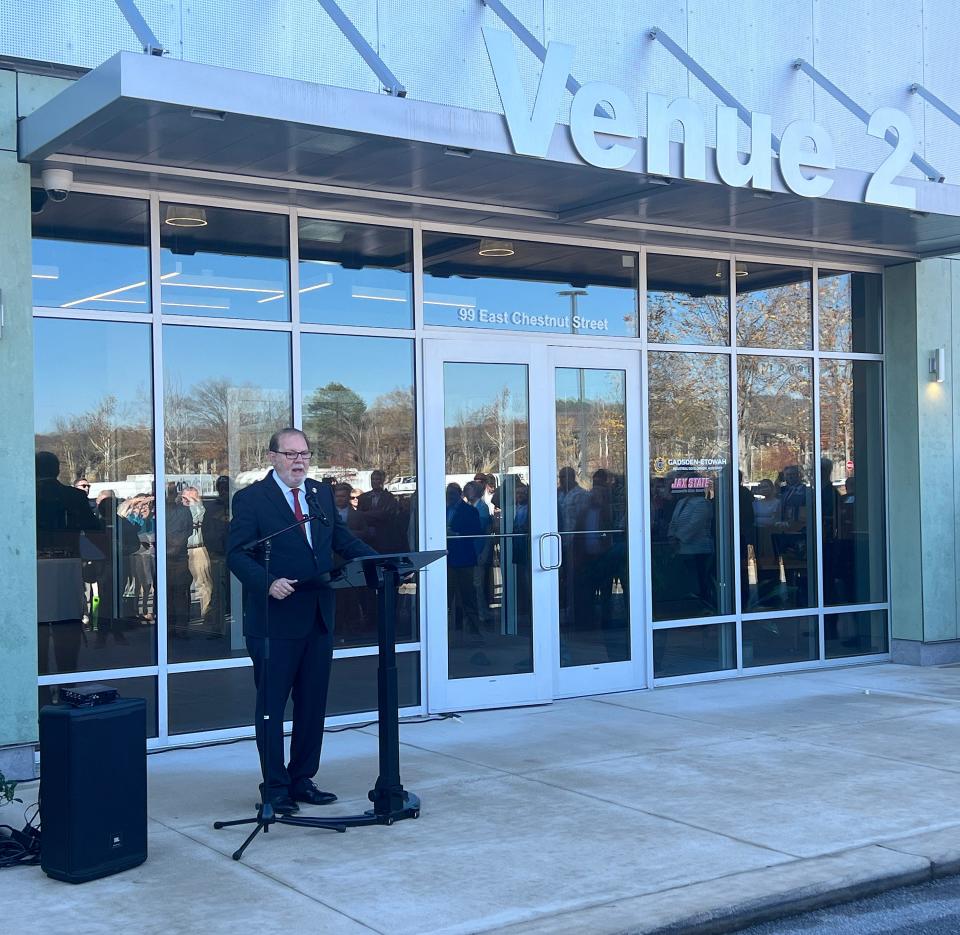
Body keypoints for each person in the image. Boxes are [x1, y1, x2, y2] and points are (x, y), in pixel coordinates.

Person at [227, 427, 376, 816]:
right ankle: (274, 787)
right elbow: (236, 554)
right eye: (291, 454)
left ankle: (302, 778)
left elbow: (341, 540)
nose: (299, 461)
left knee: (312, 705)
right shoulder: (251, 500)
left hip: (318, 616)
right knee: (271, 707)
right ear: (273, 457)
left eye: (305, 454)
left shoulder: (319, 494)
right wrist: (266, 582)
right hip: (275, 620)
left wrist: (379, 562)